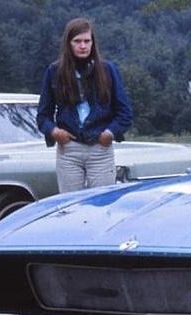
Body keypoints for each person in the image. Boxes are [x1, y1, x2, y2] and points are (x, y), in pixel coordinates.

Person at [36, 17, 133, 193]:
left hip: (100, 149)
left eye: (87, 41)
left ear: (93, 43)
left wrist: (109, 133)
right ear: (68, 43)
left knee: (102, 201)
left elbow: (125, 113)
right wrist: (55, 132)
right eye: (77, 41)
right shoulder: (54, 72)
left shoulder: (108, 70)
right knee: (70, 204)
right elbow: (43, 116)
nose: (83, 46)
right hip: (69, 151)